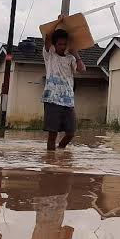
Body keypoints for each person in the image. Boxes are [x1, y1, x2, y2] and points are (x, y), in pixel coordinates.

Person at [42, 16, 86, 151]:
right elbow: (48, 36)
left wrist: (76, 55)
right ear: (55, 45)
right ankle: (50, 160)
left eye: (64, 44)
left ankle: (60, 151)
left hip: (68, 101)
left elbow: (82, 70)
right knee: (52, 134)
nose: (62, 46)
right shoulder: (49, 55)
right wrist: (58, 22)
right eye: (60, 44)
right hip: (52, 99)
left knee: (71, 133)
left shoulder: (71, 58)